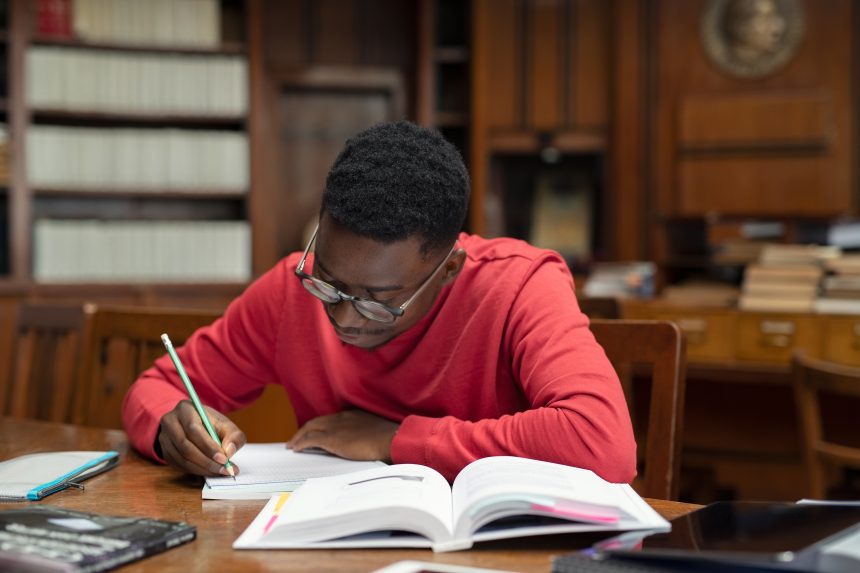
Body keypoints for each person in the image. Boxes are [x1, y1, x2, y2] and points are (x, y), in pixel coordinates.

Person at [121, 121, 636, 484]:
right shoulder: (288, 291)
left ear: (448, 269)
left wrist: (398, 441)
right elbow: (157, 387)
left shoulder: (519, 285)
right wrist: (172, 428)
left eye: (379, 301)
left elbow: (600, 442)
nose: (343, 317)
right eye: (327, 280)